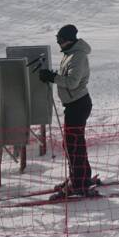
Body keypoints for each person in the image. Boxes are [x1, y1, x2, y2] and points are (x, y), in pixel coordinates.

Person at [38, 24, 94, 198]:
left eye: (60, 40)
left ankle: (78, 182)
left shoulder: (77, 56)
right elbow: (68, 77)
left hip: (78, 104)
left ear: (69, 40)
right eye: (57, 40)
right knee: (74, 143)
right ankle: (81, 177)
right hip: (74, 104)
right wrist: (53, 75)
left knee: (72, 144)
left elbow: (72, 83)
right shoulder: (70, 54)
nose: (58, 43)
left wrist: (53, 77)